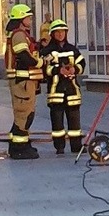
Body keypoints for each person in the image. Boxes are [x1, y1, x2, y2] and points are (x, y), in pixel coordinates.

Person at [43, 19, 85, 155]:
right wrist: (58, 71)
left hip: (72, 91)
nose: (60, 34)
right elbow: (45, 70)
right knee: (57, 123)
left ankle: (76, 146)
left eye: (63, 32)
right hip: (56, 92)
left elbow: (82, 63)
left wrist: (75, 69)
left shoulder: (72, 49)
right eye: (57, 32)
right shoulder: (47, 51)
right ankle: (59, 147)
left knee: (75, 122)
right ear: (52, 34)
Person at [4, 4, 41, 159]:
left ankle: (21, 145)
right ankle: (19, 149)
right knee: (23, 115)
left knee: (25, 114)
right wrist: (40, 63)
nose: (30, 21)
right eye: (28, 18)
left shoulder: (21, 34)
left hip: (25, 80)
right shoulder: (19, 34)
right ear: (20, 18)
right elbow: (24, 56)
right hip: (22, 80)